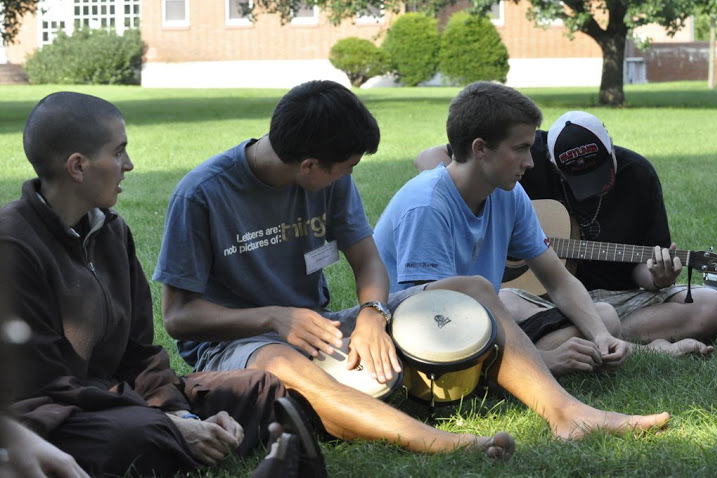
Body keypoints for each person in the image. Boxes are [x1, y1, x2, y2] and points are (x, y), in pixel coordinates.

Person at [153, 79, 669, 455]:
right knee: (285, 363)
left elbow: (366, 258)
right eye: (344, 169)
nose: (347, 179)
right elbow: (178, 318)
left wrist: (372, 313)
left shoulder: (330, 178)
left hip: (319, 326)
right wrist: (272, 317)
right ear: (308, 166)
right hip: (235, 342)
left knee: (473, 288)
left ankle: (567, 414)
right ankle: (438, 442)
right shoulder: (202, 195)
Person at [0, 91, 324, 477]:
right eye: (119, 152)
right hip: (50, 417)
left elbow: (139, 350)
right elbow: (43, 384)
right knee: (140, 434)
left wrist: (177, 410)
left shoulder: (111, 231)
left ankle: (192, 441)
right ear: (78, 166)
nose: (129, 164)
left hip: (117, 397)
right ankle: (205, 446)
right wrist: (167, 422)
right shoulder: (14, 245)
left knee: (260, 387)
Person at [413, 109, 717, 369]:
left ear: (611, 145)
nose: (593, 188)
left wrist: (659, 278)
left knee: (712, 305)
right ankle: (628, 342)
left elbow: (644, 271)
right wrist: (482, 218)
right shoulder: (522, 155)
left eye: (600, 173)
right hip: (535, 300)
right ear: (550, 160)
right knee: (498, 301)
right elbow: (428, 158)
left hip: (619, 299)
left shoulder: (638, 175)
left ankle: (593, 335)